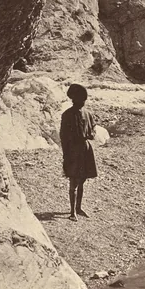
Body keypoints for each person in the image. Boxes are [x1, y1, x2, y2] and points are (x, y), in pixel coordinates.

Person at [60, 83, 98, 220]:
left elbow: (93, 127)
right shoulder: (67, 115)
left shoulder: (88, 113)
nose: (81, 102)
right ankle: (72, 212)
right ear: (73, 99)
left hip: (85, 149)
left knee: (82, 179)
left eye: (83, 100)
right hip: (73, 150)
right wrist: (66, 154)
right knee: (73, 180)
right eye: (79, 100)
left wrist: (91, 134)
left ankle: (78, 208)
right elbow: (63, 136)